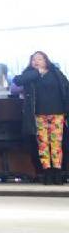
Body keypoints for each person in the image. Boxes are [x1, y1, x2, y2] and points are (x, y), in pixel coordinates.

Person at [13, 51, 69, 185]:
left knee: (56, 144)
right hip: (38, 115)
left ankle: (57, 171)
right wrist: (36, 72)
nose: (36, 61)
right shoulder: (30, 74)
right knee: (43, 144)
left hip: (57, 113)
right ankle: (47, 172)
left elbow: (66, 87)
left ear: (46, 60)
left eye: (40, 59)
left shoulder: (55, 73)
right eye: (33, 59)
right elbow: (17, 81)